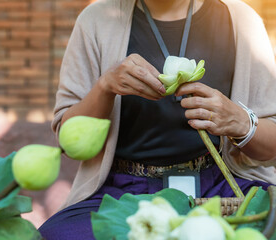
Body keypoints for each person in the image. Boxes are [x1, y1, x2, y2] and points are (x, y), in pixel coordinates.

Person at [39, 0, 276, 239]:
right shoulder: (95, 20)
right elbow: (69, 141)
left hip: (221, 185)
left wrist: (242, 123)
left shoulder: (241, 20)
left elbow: (272, 145)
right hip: (123, 191)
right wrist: (105, 86)